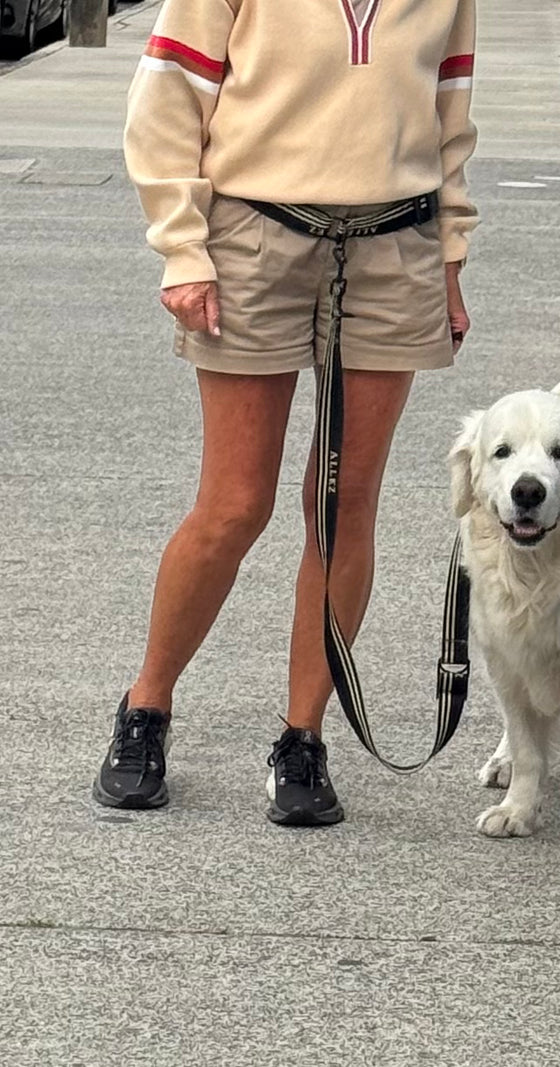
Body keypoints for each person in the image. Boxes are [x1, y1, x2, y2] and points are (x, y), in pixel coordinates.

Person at [93, 0, 479, 826]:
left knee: (342, 505)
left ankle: (303, 737)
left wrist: (449, 258)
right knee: (234, 504)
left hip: (395, 249)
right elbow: (169, 94)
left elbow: (450, 113)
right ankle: (146, 706)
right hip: (253, 239)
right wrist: (181, 248)